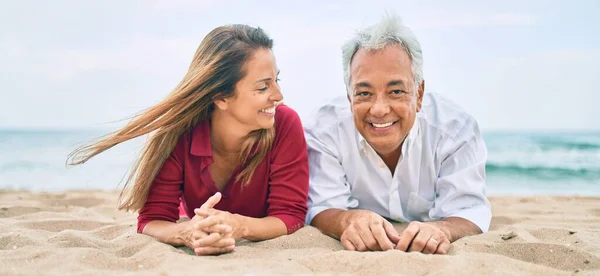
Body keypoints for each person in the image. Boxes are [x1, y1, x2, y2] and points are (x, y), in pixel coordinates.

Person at [68, 24, 309, 256]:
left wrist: (237, 225)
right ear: (221, 97)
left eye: (277, 80)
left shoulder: (285, 123)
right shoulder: (177, 132)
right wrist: (188, 232)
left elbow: (290, 216)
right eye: (262, 88)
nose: (278, 95)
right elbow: (152, 220)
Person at [304, 14, 491, 255]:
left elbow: (469, 208)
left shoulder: (456, 129)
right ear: (349, 96)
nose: (379, 109)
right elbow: (321, 206)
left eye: (396, 91)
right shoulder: (322, 129)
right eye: (364, 93)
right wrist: (347, 221)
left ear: (419, 93)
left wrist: (442, 230)